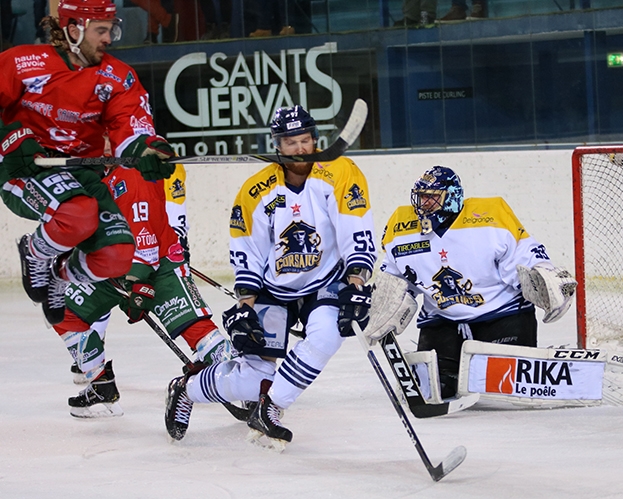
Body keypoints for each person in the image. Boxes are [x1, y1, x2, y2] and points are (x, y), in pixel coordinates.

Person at [164, 104, 377, 449]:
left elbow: (356, 229)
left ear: (315, 140)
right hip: (273, 289)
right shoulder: (256, 190)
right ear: (277, 145)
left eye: (305, 140)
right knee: (252, 378)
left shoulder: (340, 173)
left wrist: (356, 283)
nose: (299, 149)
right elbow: (247, 249)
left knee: (326, 336)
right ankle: (186, 390)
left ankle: (272, 407)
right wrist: (246, 304)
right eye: (290, 142)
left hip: (323, 282)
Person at [0, 0, 176, 327]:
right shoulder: (23, 63)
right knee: (78, 214)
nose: (109, 38)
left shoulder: (117, 76)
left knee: (118, 255)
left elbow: (130, 125)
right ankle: (35, 253)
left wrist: (147, 149)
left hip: (80, 175)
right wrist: (12, 136)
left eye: (111, 29)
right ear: (72, 29)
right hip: (25, 170)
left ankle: (59, 273)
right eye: (101, 30)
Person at [376, 166, 574, 400]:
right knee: (435, 389)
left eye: (432, 197)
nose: (424, 204)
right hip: (442, 320)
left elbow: (525, 257)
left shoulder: (491, 217)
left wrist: (543, 276)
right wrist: (380, 304)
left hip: (502, 316)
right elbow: (395, 279)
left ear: (452, 197)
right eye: (421, 197)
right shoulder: (402, 228)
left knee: (501, 387)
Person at [55, 164, 233, 418]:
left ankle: (245, 381)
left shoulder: (131, 173)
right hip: (111, 270)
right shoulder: (94, 176)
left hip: (159, 267)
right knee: (61, 309)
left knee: (196, 330)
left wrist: (139, 284)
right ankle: (101, 386)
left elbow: (144, 232)